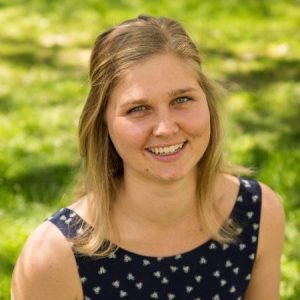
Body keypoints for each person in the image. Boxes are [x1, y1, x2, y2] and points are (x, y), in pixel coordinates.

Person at [12, 15, 285, 300]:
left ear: (207, 103)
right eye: (138, 108)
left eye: (182, 100)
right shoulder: (53, 257)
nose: (166, 128)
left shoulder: (257, 212)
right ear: (104, 122)